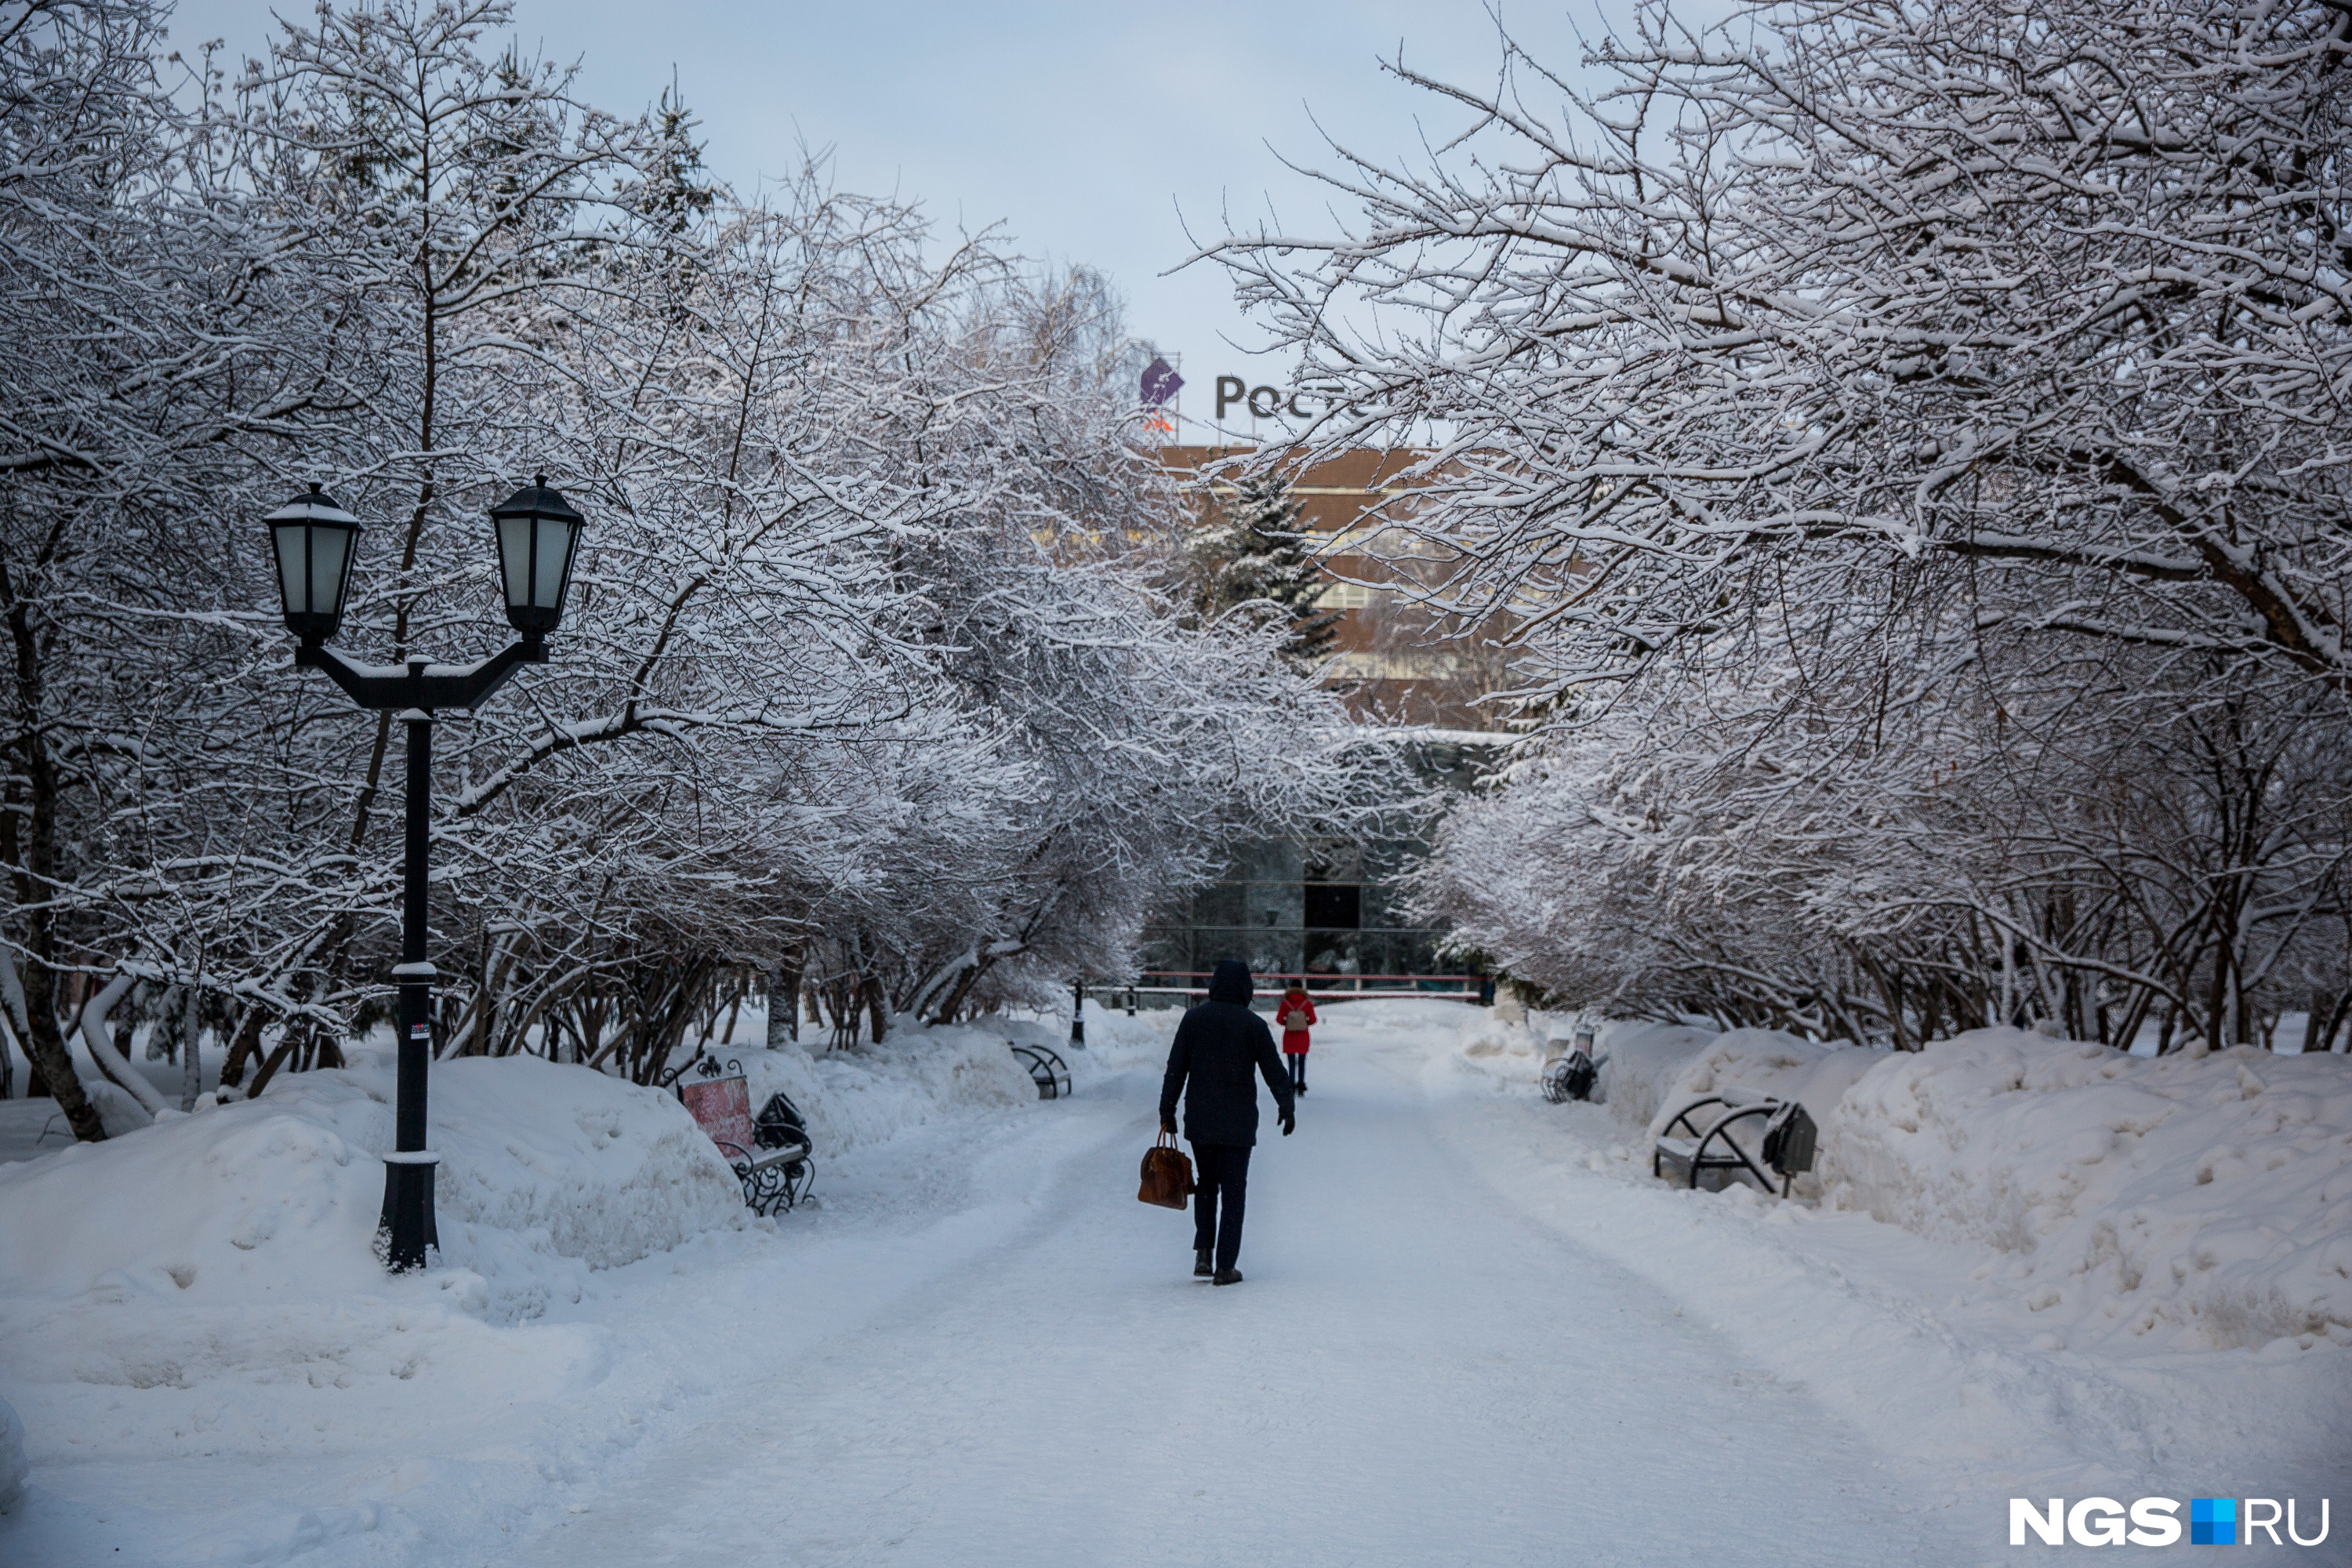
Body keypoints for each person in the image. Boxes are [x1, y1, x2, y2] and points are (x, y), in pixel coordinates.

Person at [1160, 958, 1294, 1286]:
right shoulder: (1253, 1025)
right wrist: (1287, 1105)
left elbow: (1176, 1068)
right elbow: (1274, 1071)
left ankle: (1203, 1252)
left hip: (1201, 1119)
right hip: (1238, 1122)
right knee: (1234, 1192)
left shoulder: (1193, 1020)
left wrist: (1167, 1111)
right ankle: (1226, 1266)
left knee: (1206, 1184)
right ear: (1246, 987)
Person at [1276, 982, 1317, 1094]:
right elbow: (1313, 1020)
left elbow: (1279, 1019)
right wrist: (1304, 1023)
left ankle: (1291, 1084)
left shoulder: (1285, 1003)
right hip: (1303, 1036)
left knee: (1291, 1062)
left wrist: (1289, 1023)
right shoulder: (1307, 1003)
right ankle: (1301, 1085)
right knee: (1302, 1062)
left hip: (1289, 1035)